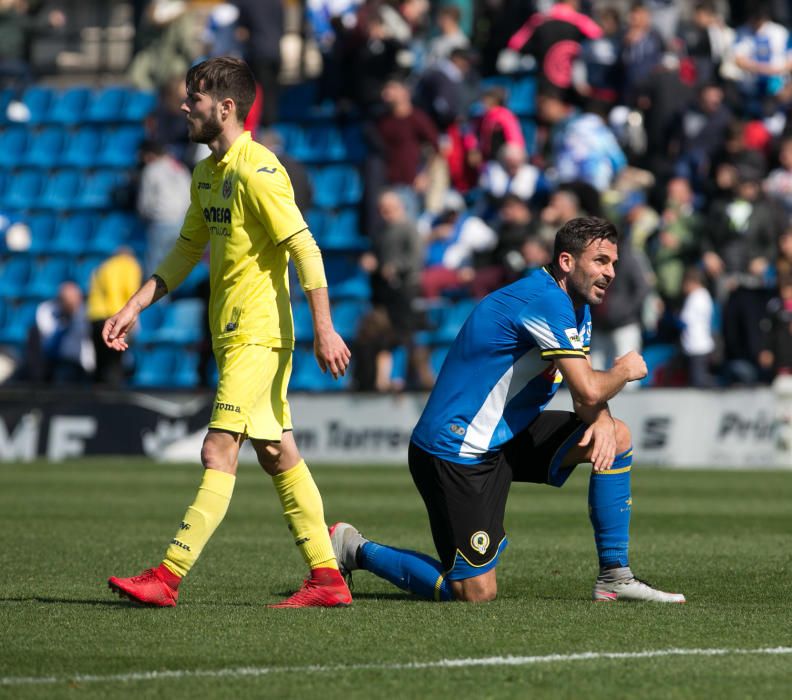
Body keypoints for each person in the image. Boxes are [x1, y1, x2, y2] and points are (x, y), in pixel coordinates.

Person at [330, 217, 686, 604]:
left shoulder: (574, 305)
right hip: (455, 450)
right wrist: (623, 370)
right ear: (566, 261)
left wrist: (601, 419)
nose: (610, 272)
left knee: (616, 436)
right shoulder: (544, 301)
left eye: (613, 263)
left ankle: (615, 577)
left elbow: (585, 397)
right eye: (601, 261)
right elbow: (586, 387)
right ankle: (354, 548)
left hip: (507, 435)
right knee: (474, 592)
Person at [104, 57, 352, 609]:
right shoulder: (207, 173)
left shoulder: (257, 170)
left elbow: (303, 245)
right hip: (234, 335)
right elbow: (188, 248)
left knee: (218, 450)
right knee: (277, 453)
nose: (184, 105)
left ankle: (167, 577)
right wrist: (134, 305)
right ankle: (328, 579)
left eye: (193, 96)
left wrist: (326, 328)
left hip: (258, 335)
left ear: (226, 107)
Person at [87, 246, 143, 387]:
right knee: (115, 361)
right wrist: (131, 318)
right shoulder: (130, 265)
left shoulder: (103, 267)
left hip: (95, 317)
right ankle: (113, 397)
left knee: (100, 361)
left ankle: (97, 395)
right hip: (114, 315)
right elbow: (131, 293)